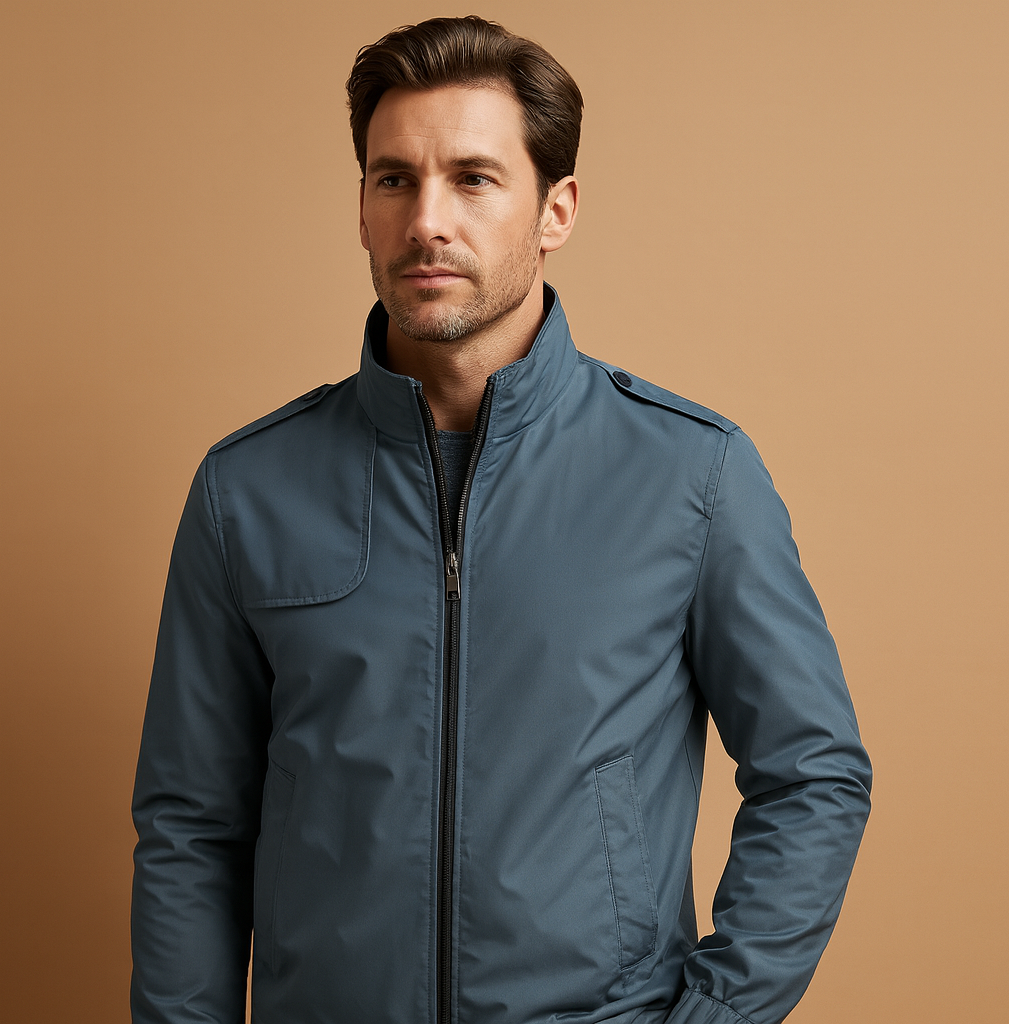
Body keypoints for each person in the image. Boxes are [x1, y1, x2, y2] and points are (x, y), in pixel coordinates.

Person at [131, 16, 871, 1024]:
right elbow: (191, 826)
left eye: (473, 179)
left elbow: (813, 774)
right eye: (394, 180)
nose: (426, 220)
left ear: (555, 209)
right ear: (361, 210)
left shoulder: (691, 475)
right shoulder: (247, 489)